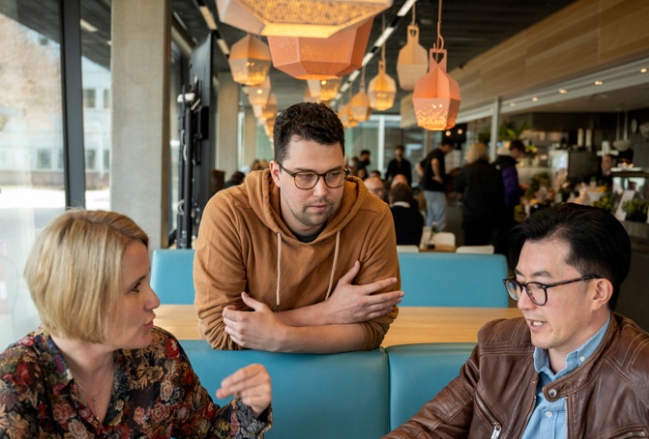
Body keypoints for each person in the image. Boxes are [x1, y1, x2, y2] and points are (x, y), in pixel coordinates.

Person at [311, 203, 649, 439]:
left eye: (541, 287)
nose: (525, 304)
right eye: (519, 285)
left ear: (598, 292)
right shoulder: (500, 347)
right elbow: (431, 431)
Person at [0, 210, 273, 439]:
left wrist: (250, 407)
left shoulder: (159, 352)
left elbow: (206, 437)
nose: (154, 300)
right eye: (135, 287)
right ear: (83, 299)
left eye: (147, 282)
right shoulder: (15, 381)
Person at [194, 102, 403, 353]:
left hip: (340, 377)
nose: (322, 192)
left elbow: (374, 327)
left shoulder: (373, 216)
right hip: (248, 381)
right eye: (305, 176)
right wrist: (328, 313)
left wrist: (280, 336)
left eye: (334, 174)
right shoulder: (230, 214)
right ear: (276, 173)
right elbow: (220, 330)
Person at [454, 142, 505, 246]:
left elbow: (458, 188)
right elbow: (501, 193)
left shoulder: (467, 169)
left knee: (470, 247)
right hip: (490, 215)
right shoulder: (494, 170)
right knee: (485, 246)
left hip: (471, 214)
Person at [493, 140, 526, 251]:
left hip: (496, 205)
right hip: (506, 206)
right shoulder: (509, 166)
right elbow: (511, 189)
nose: (519, 156)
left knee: (498, 237)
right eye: (520, 153)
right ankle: (502, 263)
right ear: (515, 150)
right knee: (505, 236)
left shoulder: (497, 163)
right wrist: (521, 190)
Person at [419, 139, 455, 230]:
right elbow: (434, 162)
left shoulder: (432, 153)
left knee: (430, 216)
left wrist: (424, 177)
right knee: (440, 216)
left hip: (427, 189)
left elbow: (418, 166)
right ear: (447, 146)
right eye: (450, 149)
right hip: (436, 189)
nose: (449, 151)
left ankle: (429, 238)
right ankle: (438, 238)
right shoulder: (438, 153)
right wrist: (438, 176)